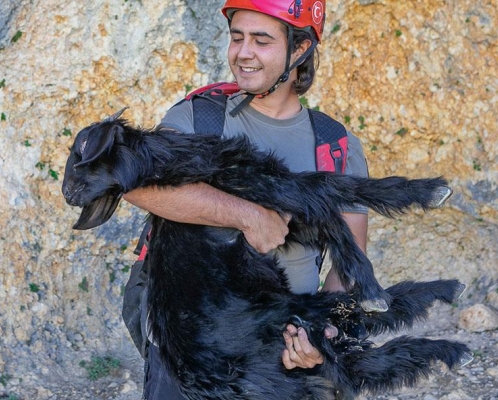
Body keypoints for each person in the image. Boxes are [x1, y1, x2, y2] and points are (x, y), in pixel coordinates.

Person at [121, 0, 370, 398]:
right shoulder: (199, 119)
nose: (243, 53)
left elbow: (350, 263)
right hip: (194, 340)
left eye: (261, 40)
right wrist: (247, 216)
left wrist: (326, 328)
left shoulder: (334, 145)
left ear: (300, 49)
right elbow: (134, 183)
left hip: (285, 343)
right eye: (237, 38)